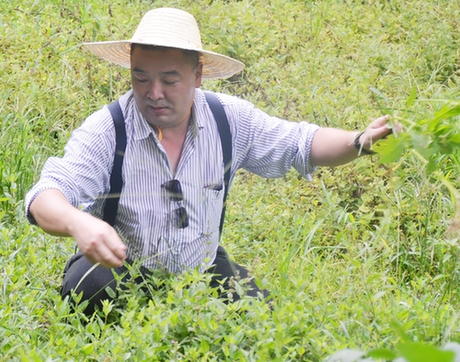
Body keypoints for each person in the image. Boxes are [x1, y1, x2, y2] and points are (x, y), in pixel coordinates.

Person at [25, 7, 402, 315]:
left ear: (198, 75)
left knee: (257, 317)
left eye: (169, 80)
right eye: (140, 78)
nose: (153, 93)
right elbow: (45, 194)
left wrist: (358, 141)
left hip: (199, 271)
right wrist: (79, 224)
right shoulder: (109, 128)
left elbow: (300, 143)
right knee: (88, 288)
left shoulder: (228, 119)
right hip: (122, 269)